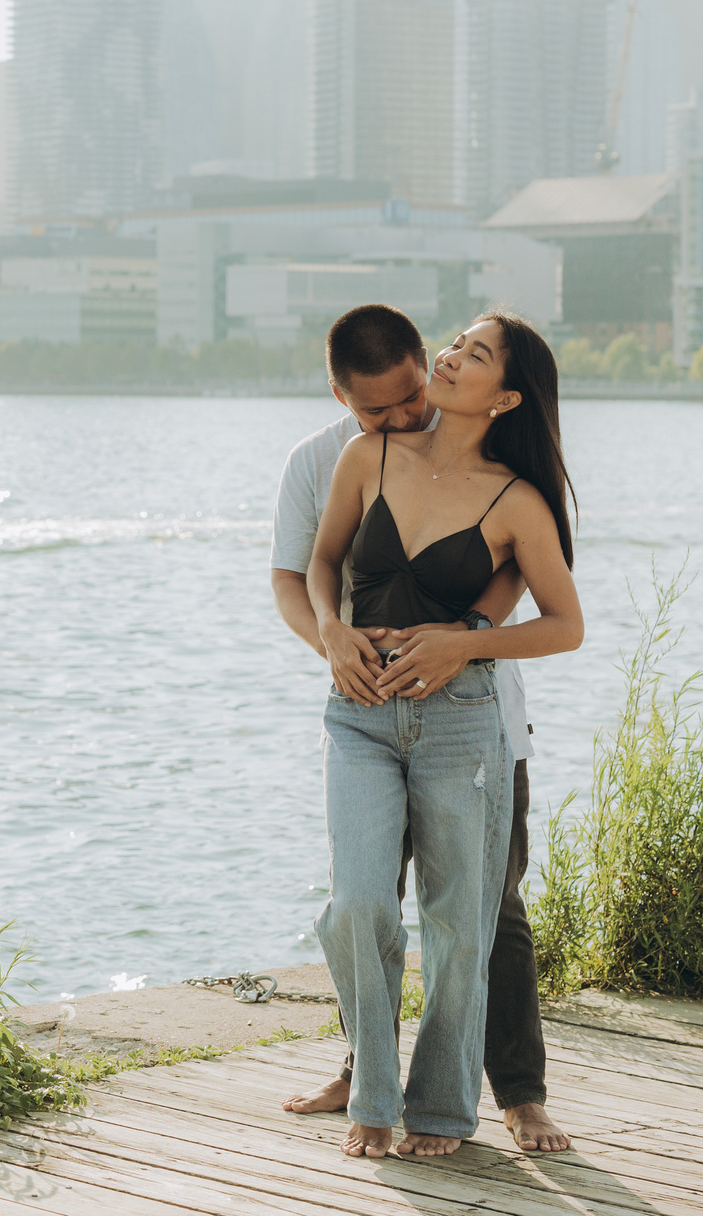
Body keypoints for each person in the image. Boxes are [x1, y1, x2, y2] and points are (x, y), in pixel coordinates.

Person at [271, 305, 581, 1158]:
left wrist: (468, 638)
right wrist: (332, 634)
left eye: (468, 356)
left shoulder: (514, 491)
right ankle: (369, 1083)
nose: (412, 404)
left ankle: (476, 1100)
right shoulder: (348, 456)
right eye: (456, 345)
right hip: (362, 710)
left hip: (469, 715)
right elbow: (308, 568)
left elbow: (558, 611)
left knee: (473, 918)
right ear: (343, 397)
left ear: (504, 395)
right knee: (360, 903)